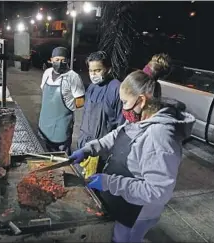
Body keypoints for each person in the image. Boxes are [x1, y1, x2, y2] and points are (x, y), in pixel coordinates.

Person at [69, 70, 195, 242]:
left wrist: (108, 182)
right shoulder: (139, 118)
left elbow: (158, 191)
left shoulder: (160, 136)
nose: (123, 108)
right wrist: (89, 149)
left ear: (141, 100)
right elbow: (115, 136)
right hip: (123, 200)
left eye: (125, 102)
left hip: (137, 212)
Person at [76, 51, 125, 178]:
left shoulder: (116, 89)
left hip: (102, 150)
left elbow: (122, 126)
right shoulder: (92, 87)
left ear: (108, 69)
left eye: (98, 70)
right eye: (91, 71)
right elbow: (86, 117)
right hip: (85, 144)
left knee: (96, 186)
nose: (93, 74)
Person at [38, 47, 85, 155]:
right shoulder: (47, 73)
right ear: (51, 60)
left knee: (62, 157)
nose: (60, 62)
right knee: (45, 156)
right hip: (44, 123)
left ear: (67, 61)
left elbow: (81, 100)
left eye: (63, 60)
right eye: (57, 59)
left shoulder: (73, 77)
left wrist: (70, 106)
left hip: (61, 126)